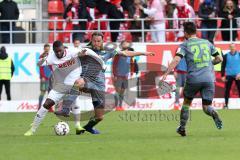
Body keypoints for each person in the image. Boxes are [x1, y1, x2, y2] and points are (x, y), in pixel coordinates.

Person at [55, 32, 154, 134]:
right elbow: (69, 57)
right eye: (94, 41)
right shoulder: (85, 50)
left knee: (99, 117)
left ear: (102, 41)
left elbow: (125, 53)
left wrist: (143, 53)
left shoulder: (108, 51)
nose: (96, 43)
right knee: (78, 83)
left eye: (98, 41)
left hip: (99, 85)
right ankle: (66, 109)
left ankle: (88, 127)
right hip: (87, 79)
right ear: (91, 40)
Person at [24, 40, 104, 136]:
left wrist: (102, 63)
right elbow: (38, 64)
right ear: (53, 50)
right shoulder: (51, 57)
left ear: (63, 48)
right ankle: (32, 129)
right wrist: (41, 60)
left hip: (75, 83)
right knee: (46, 104)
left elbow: (87, 50)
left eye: (60, 51)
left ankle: (77, 126)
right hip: (60, 85)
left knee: (75, 99)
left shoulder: (72, 52)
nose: (58, 53)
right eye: (56, 51)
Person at [162, 22, 223, 137]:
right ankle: (213, 112)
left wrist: (166, 73)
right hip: (209, 78)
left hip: (194, 78)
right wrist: (209, 64)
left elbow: (176, 60)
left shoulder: (184, 45)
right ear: (196, 31)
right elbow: (219, 58)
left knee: (186, 103)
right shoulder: (207, 43)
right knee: (206, 107)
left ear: (185, 33)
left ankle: (182, 128)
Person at [112, 41, 137, 111]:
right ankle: (116, 106)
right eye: (124, 43)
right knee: (118, 91)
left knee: (122, 91)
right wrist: (114, 74)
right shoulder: (118, 54)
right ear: (121, 45)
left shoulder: (130, 54)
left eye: (127, 43)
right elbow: (114, 64)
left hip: (125, 76)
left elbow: (132, 64)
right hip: (118, 75)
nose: (126, 45)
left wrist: (131, 73)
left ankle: (120, 106)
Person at [221, 43, 240, 109]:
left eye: (233, 47)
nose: (232, 48)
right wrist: (222, 75)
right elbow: (223, 66)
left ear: (235, 47)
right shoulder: (225, 56)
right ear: (229, 48)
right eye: (231, 47)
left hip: (238, 76)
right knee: (227, 90)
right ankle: (226, 105)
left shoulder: (239, 55)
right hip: (229, 75)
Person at [38, 44, 52, 109]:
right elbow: (40, 68)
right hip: (44, 78)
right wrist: (42, 76)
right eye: (46, 49)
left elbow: (52, 67)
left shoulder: (51, 56)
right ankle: (39, 107)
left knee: (50, 93)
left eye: (48, 49)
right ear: (44, 49)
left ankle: (49, 108)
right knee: (43, 92)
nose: (47, 50)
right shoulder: (41, 56)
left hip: (50, 78)